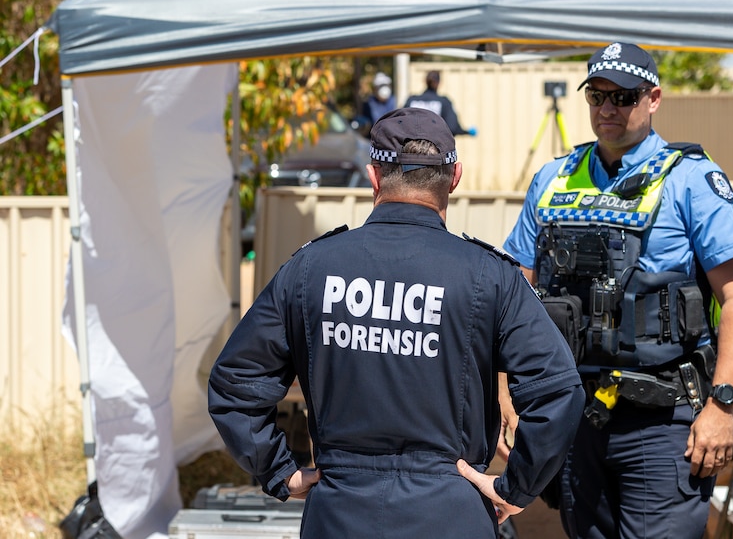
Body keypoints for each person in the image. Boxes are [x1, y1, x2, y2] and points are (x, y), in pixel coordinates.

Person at [209, 107, 585, 538]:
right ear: (455, 177)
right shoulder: (489, 275)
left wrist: (280, 471)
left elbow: (235, 382)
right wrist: (515, 487)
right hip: (450, 513)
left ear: (373, 176)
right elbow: (558, 393)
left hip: (341, 512)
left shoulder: (311, 268)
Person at [501, 42, 733, 539]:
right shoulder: (553, 179)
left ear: (653, 98)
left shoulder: (692, 180)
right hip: (575, 417)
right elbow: (514, 295)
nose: (606, 110)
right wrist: (504, 394)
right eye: (596, 97)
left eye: (622, 98)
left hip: (663, 423)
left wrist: (723, 405)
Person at [404, 70, 477, 137]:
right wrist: (466, 132)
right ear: (439, 83)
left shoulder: (412, 100)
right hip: (434, 148)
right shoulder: (443, 102)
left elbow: (400, 122)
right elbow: (452, 128)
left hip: (411, 148)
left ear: (425, 81)